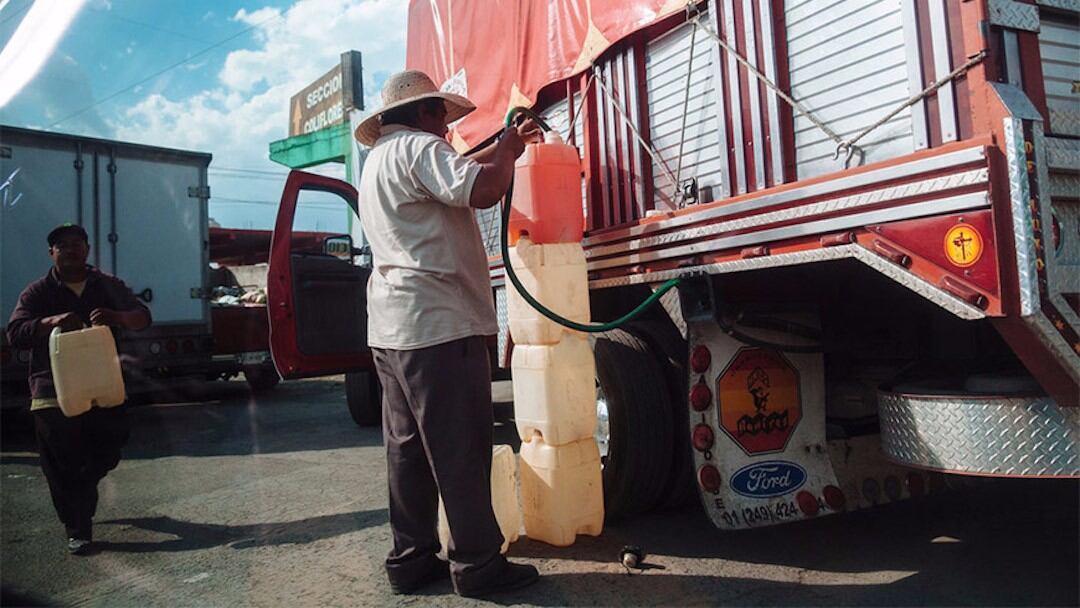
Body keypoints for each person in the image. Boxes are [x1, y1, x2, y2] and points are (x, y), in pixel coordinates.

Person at [353, 70, 541, 598]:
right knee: (459, 449)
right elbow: (482, 189)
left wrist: (505, 150)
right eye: (442, 117)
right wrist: (506, 147)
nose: (446, 131)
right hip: (437, 324)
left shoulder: (381, 161)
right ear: (426, 112)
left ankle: (411, 561)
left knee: (407, 451)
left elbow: (459, 173)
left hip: (392, 328)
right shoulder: (418, 148)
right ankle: (479, 565)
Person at [6, 223, 151, 555]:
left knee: (110, 446)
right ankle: (78, 528)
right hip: (52, 389)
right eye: (62, 245)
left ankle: (83, 491)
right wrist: (51, 322)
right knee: (61, 461)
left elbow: (143, 317)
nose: (70, 249)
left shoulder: (108, 285)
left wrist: (118, 316)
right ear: (51, 253)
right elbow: (15, 331)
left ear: (87, 249)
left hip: (104, 384)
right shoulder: (38, 291)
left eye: (77, 243)